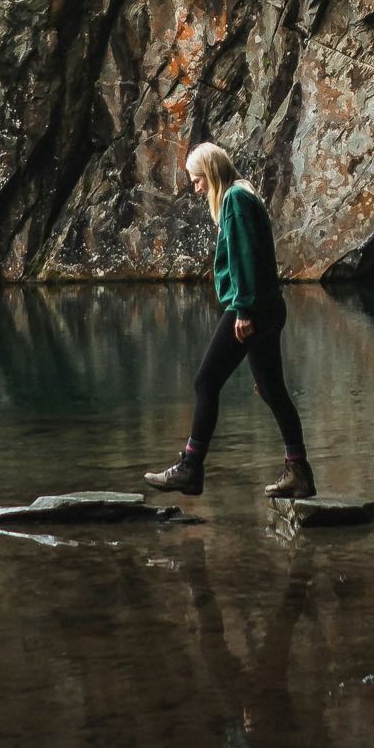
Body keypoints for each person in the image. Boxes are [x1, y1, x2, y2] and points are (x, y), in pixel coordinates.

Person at [145, 142, 314, 498]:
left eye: (197, 180)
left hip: (253, 308)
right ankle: (299, 472)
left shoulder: (234, 200)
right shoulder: (243, 193)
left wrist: (243, 309)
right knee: (271, 390)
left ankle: (190, 469)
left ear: (212, 172)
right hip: (268, 307)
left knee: (206, 382)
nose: (197, 189)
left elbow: (245, 258)